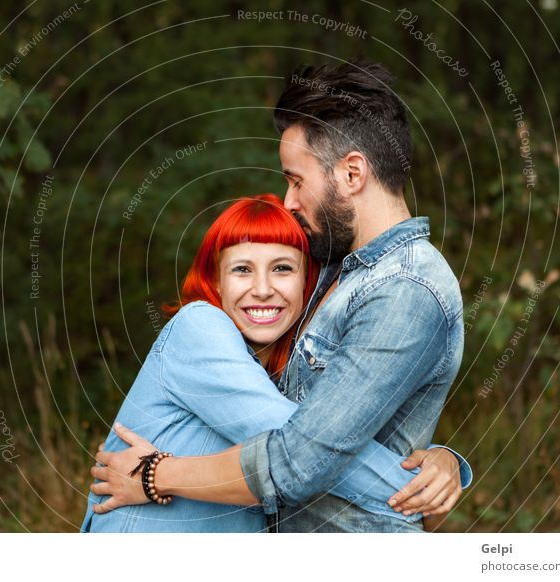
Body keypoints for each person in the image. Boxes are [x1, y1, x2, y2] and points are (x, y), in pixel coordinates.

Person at [90, 60, 470, 532]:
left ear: (352, 174)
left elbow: (299, 462)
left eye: (295, 179)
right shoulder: (333, 271)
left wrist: (156, 474)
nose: (288, 200)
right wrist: (436, 471)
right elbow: (293, 423)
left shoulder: (405, 290)